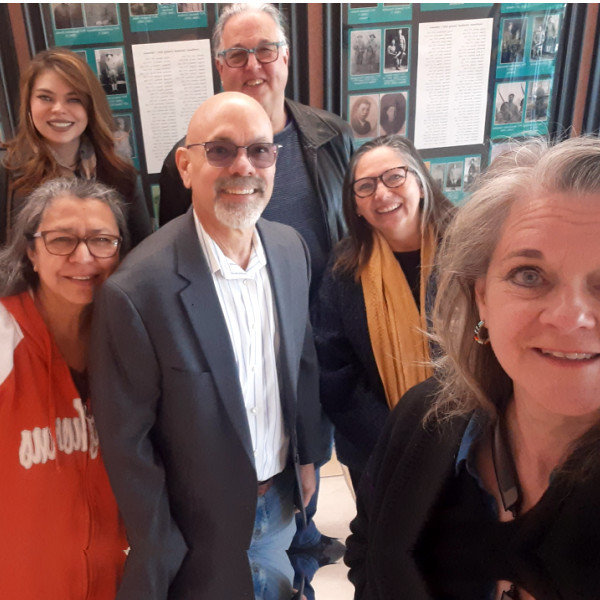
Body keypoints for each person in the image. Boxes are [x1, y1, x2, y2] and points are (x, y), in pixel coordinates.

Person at [89, 92, 324, 600]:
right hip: (198, 532)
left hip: (282, 503)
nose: (244, 165)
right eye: (220, 150)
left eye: (260, 151)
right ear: (185, 164)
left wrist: (309, 460)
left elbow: (302, 362)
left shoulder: (291, 250)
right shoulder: (136, 291)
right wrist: (158, 543)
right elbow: (128, 442)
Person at [345, 136, 600, 600]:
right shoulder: (422, 417)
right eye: (529, 275)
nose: (570, 317)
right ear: (481, 294)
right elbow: (368, 548)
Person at [158, 3, 354, 580]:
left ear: (286, 58)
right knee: (268, 450)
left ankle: (306, 533)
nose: (254, 64)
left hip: (326, 333)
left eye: (265, 50)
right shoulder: (192, 158)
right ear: (221, 67)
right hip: (248, 341)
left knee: (314, 453)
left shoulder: (330, 138)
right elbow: (180, 260)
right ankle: (286, 541)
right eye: (237, 54)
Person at [0, 177, 129, 600]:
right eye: (61, 240)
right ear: (31, 252)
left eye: (102, 240)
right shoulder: (5, 339)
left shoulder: (131, 344)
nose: (84, 257)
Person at [314, 135, 455, 488]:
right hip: (378, 448)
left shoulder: (470, 251)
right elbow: (335, 370)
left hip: (466, 442)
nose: (381, 193)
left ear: (420, 182)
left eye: (394, 176)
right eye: (365, 187)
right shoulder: (344, 268)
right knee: (382, 538)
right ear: (356, 206)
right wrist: (396, 437)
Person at [0, 47, 151, 248]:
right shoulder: (6, 171)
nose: (58, 109)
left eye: (74, 99)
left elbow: (142, 252)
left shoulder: (119, 172)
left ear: (90, 107)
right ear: (28, 105)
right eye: (45, 97)